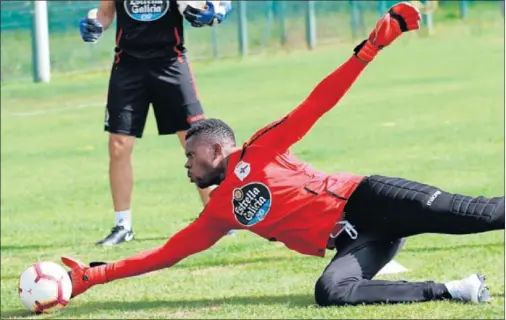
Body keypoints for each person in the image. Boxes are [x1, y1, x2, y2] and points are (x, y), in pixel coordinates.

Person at [64, 3, 504, 306]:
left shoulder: (262, 148)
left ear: (217, 148)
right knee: (331, 292)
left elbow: (318, 103)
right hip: (358, 238)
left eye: (190, 155)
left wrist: (369, 49)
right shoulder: (220, 213)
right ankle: (454, 289)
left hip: (369, 198)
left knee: (482, 214)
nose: (186, 163)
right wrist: (95, 275)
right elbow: (164, 255)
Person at [79, 0, 234, 245]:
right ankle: (123, 226)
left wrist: (214, 11)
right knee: (118, 145)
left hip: (171, 63)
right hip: (128, 66)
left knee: (197, 140)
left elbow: (210, 7)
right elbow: (106, 13)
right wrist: (94, 24)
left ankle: (219, 216)